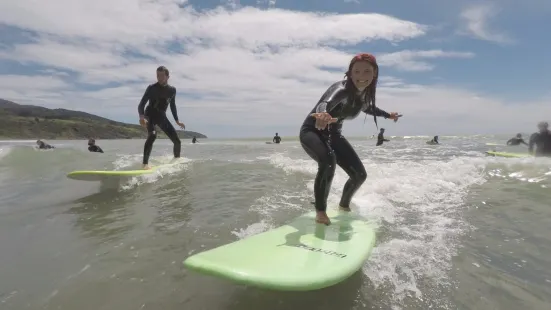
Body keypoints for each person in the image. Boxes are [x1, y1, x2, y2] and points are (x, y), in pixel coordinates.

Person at [299, 53, 401, 225]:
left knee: (359, 175)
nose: (362, 77)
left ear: (375, 73)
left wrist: (387, 115)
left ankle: (344, 206)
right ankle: (320, 211)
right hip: (313, 130)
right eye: (357, 72)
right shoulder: (341, 89)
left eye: (367, 72)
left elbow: (368, 108)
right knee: (328, 161)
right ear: (350, 73)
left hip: (334, 135)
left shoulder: (363, 95)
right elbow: (325, 102)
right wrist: (323, 113)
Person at [138, 66, 186, 169]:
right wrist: (142, 117)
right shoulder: (151, 88)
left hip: (161, 116)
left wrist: (177, 121)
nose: (159, 78)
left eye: (161, 76)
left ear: (168, 77)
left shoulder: (172, 90)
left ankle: (176, 161)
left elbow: (172, 106)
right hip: (149, 114)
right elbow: (141, 104)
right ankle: (145, 164)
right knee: (152, 135)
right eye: (157, 75)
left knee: (177, 141)